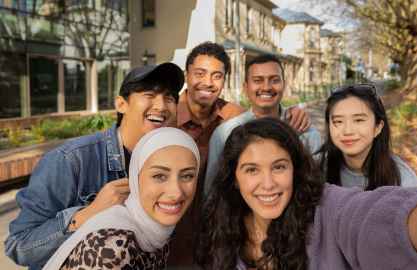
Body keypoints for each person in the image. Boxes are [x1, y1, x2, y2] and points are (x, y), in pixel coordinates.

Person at [196, 117, 417, 270]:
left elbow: (376, 219)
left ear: (296, 169)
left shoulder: (327, 210)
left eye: (279, 166)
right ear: (233, 178)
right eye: (251, 170)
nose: (268, 183)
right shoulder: (222, 229)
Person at [5, 62, 185, 269]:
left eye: (169, 97)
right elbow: (19, 245)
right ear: (121, 104)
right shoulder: (71, 160)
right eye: (149, 95)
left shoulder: (168, 160)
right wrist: (88, 214)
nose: (161, 106)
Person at [170, 42, 312, 266]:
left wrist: (297, 112)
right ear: (187, 75)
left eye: (217, 75)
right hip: (179, 238)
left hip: (282, 240)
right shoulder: (167, 119)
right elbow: (213, 198)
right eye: (200, 74)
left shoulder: (232, 118)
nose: (208, 82)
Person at [42, 128, 200, 270]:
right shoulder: (113, 248)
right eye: (159, 176)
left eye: (187, 176)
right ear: (135, 179)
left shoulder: (156, 229)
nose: (176, 192)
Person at [204, 54, 322, 195]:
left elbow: (316, 188)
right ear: (245, 87)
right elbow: (212, 192)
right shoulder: (224, 134)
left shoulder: (306, 133)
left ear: (284, 84)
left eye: (274, 80)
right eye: (258, 80)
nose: (266, 87)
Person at [316, 84, 417, 190]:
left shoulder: (403, 181)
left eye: (359, 120)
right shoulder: (318, 169)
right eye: (338, 121)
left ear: (378, 127)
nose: (347, 131)